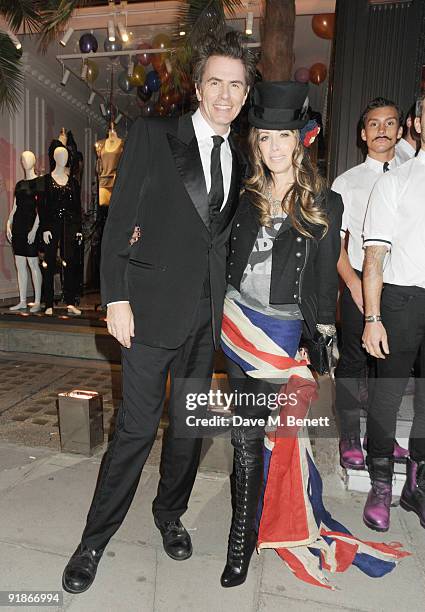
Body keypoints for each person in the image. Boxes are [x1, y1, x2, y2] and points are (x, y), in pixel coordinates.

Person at [62, 32, 256, 594]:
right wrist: (115, 296)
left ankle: (169, 513)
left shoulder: (240, 156)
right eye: (215, 82)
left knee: (188, 430)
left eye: (235, 85)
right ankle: (93, 540)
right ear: (198, 87)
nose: (224, 94)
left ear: (244, 96)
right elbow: (120, 220)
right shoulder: (152, 135)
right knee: (136, 430)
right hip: (147, 311)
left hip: (207, 317)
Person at [220, 81, 343, 587]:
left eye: (283, 137)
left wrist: (323, 335)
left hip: (281, 332)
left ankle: (243, 538)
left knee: (253, 436)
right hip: (234, 326)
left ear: (301, 140)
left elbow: (321, 278)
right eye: (265, 137)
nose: (273, 147)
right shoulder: (242, 195)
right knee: (244, 435)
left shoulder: (324, 203)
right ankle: (242, 537)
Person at [332, 97, 408, 469]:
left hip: (403, 286)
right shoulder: (347, 183)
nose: (382, 130)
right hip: (360, 282)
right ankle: (347, 436)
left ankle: (380, 436)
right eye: (374, 124)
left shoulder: (413, 174)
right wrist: (353, 284)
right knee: (353, 360)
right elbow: (335, 246)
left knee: (390, 367)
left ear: (401, 129)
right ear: (363, 134)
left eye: (389, 123)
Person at [362, 92, 425, 532]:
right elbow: (373, 259)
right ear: (417, 124)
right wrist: (372, 317)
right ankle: (381, 481)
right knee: (387, 397)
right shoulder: (397, 181)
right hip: (402, 300)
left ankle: (416, 483)